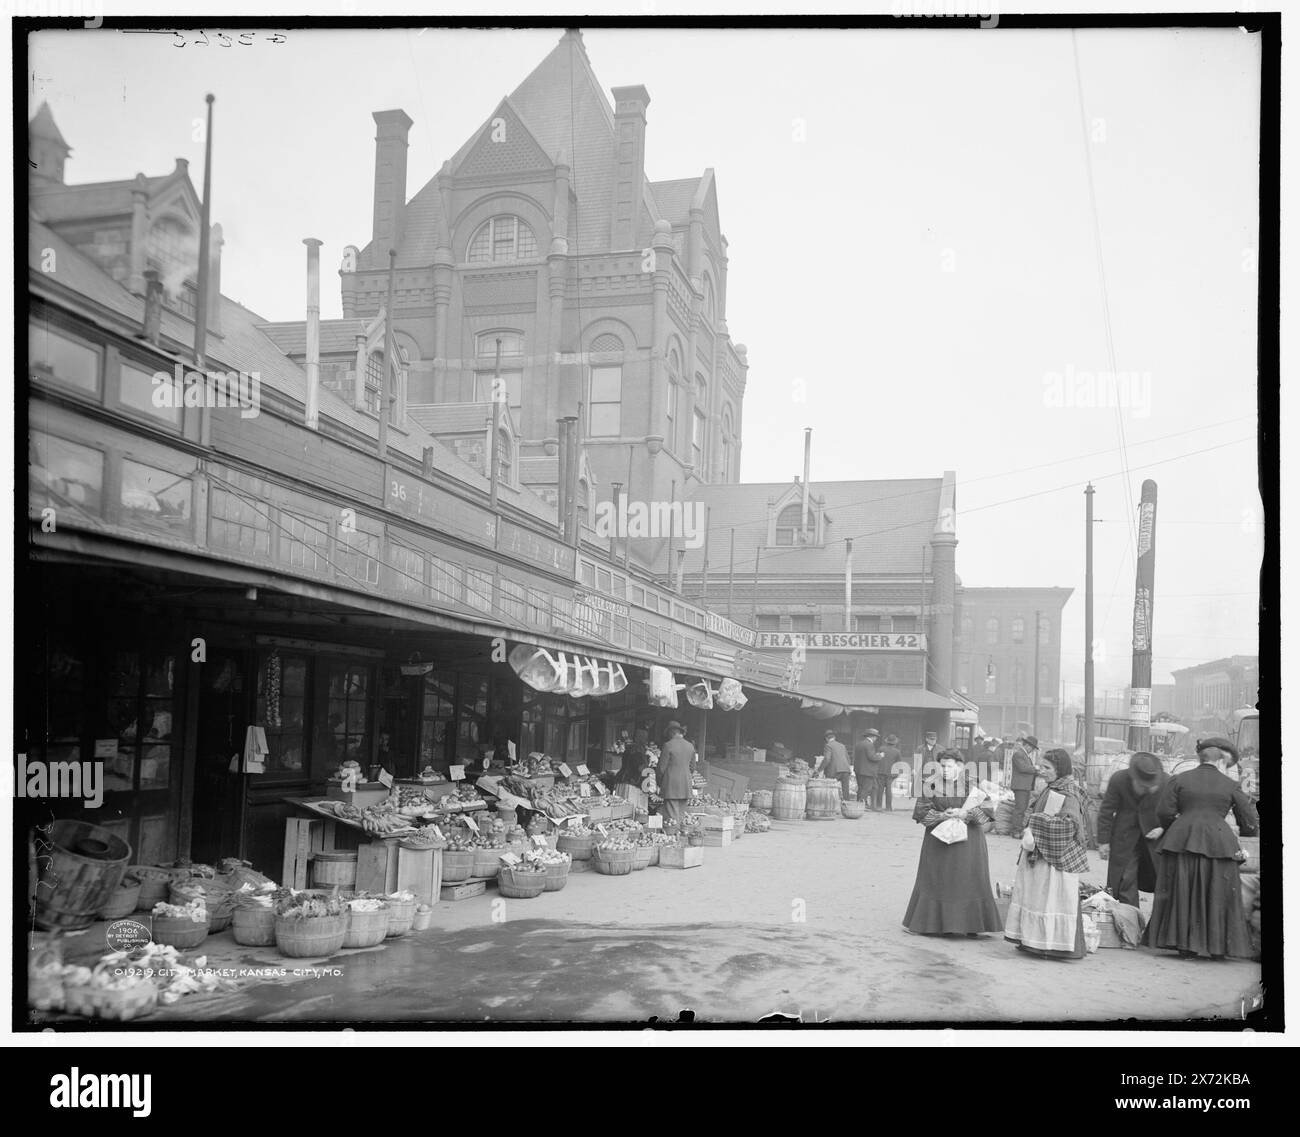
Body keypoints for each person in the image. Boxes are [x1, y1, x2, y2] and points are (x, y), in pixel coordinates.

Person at [1144, 736, 1258, 960]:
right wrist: (1245, 833)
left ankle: (1184, 946)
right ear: (1220, 762)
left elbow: (1164, 812)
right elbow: (1249, 820)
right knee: (1217, 892)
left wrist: (1174, 824)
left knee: (1182, 891)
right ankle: (1217, 949)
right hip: (1219, 842)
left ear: (1200, 758)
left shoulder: (1179, 779)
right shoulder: (1230, 785)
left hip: (1181, 839)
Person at [902, 749, 1002, 936]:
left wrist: (967, 813)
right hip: (938, 841)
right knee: (936, 879)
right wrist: (941, 815)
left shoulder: (973, 783)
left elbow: (989, 811)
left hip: (969, 842)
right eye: (942, 765)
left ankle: (971, 925)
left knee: (968, 879)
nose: (945, 769)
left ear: (960, 766)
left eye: (950, 766)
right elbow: (920, 813)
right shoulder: (930, 784)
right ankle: (929, 924)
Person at [1004, 748, 1090, 959]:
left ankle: (1051, 946)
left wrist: (1035, 822)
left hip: (1056, 859)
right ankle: (1033, 942)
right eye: (1041, 766)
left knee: (1052, 899)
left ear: (1060, 769)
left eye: (1047, 768)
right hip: (1042, 851)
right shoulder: (1052, 787)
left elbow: (1069, 825)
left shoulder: (1068, 792)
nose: (1042, 771)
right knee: (1037, 898)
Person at [1096, 751, 1169, 906]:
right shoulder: (1119, 779)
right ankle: (1129, 923)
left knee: (1162, 883)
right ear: (1133, 778)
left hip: (1155, 839)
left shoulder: (1166, 782)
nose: (1146, 789)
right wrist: (1103, 842)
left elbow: (1175, 812)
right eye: (1142, 785)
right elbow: (1106, 811)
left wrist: (1163, 828)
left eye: (1150, 786)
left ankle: (1157, 927)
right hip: (1125, 837)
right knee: (1124, 880)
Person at [658, 723, 697, 824]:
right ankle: (678, 834)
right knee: (681, 813)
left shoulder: (668, 745)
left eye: (668, 734)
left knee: (671, 815)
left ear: (672, 732)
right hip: (685, 784)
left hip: (671, 784)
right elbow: (692, 768)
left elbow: (661, 768)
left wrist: (659, 783)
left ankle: (673, 836)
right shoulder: (690, 746)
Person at [1008, 735, 1039, 839]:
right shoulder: (1019, 754)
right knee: (1020, 809)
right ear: (1028, 746)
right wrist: (1036, 769)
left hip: (1024, 786)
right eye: (1033, 748)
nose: (1033, 750)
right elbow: (1023, 768)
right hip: (1020, 786)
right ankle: (1016, 831)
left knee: (1022, 809)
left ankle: (1018, 830)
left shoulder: (1023, 754)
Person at [819, 729, 852, 803]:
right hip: (846, 770)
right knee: (845, 790)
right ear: (834, 737)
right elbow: (848, 759)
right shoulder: (842, 745)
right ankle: (847, 807)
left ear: (826, 738)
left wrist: (819, 770)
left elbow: (827, 759)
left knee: (830, 788)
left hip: (835, 771)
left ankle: (830, 805)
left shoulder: (828, 745)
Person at [853, 728, 880, 807]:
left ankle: (859, 803)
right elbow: (871, 757)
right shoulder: (869, 744)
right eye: (876, 737)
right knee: (866, 788)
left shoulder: (859, 744)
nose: (876, 739)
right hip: (867, 771)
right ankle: (861, 804)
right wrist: (879, 756)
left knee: (860, 787)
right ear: (873, 737)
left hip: (858, 770)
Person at [876, 733, 902, 812]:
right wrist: (897, 774)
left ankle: (879, 806)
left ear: (887, 742)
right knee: (888, 790)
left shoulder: (881, 749)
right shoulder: (897, 752)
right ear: (895, 743)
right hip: (891, 774)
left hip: (880, 772)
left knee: (879, 790)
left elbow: (877, 759)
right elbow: (898, 764)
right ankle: (888, 807)